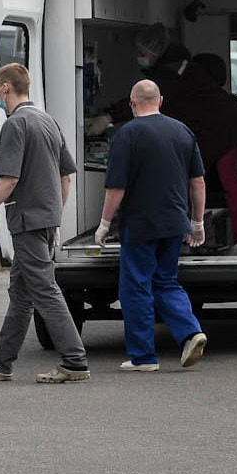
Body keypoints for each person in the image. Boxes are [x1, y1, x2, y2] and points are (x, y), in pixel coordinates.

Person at [0, 63, 90, 385]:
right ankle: (3, 362)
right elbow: (66, 175)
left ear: (6, 88)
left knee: (44, 290)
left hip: (26, 221)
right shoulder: (47, 120)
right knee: (21, 292)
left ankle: (75, 361)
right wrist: (54, 210)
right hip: (46, 218)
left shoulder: (15, 125)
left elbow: (8, 179)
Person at [96, 79, 209, 372]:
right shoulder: (182, 131)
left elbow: (116, 188)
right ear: (161, 100)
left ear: (132, 102)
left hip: (141, 223)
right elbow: (197, 181)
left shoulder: (127, 134)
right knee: (166, 280)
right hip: (175, 221)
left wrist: (104, 224)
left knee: (136, 286)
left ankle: (143, 357)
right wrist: (197, 222)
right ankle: (190, 331)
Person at [173, 53, 237, 254]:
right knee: (233, 185)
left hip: (211, 140)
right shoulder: (224, 100)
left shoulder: (196, 98)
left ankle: (182, 237)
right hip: (230, 137)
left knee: (187, 185)